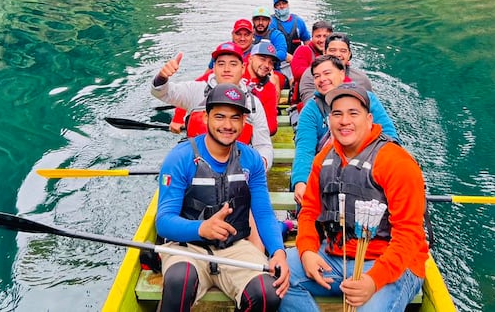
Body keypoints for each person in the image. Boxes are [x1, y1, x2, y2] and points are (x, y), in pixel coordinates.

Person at [281, 83, 427, 312]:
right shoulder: (324, 159)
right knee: (280, 277)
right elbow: (309, 212)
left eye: (353, 113)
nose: (344, 121)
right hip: (335, 255)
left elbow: (408, 234)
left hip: (390, 263)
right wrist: (307, 251)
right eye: (337, 114)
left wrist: (373, 280)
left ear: (369, 119)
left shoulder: (396, 162)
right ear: (329, 120)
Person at [156, 83, 290, 311]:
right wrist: (200, 229)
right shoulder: (179, 158)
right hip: (188, 247)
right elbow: (163, 222)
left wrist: (278, 252)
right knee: (181, 279)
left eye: (235, 118)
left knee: (269, 293)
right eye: (220, 116)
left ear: (244, 122)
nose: (227, 125)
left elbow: (264, 213)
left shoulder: (252, 160)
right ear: (206, 117)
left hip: (235, 246)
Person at [290, 61, 398, 206]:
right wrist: (300, 181)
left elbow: (389, 136)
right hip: (328, 173)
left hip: (367, 170)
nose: (322, 79)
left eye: (327, 73)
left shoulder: (367, 99)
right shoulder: (311, 109)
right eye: (317, 76)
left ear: (342, 74)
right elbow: (305, 149)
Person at [152, 42, 274, 169]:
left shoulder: (253, 103)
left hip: (236, 170)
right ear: (214, 68)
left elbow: (263, 145)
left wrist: (260, 165)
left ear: (243, 68)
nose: (227, 69)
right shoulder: (195, 90)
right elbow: (162, 93)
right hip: (195, 167)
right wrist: (162, 77)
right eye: (221, 64)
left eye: (233, 64)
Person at [297, 33, 373, 104]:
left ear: (349, 54)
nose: (337, 54)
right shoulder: (311, 75)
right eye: (332, 50)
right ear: (324, 52)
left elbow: (370, 106)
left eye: (343, 51)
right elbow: (310, 104)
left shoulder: (362, 79)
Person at [270, 0, 311, 85]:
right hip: (279, 62)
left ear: (288, 5)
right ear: (274, 8)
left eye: (284, 3)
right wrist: (287, 56)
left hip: (297, 61)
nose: (281, 6)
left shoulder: (298, 21)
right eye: (278, 4)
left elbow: (307, 43)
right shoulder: (271, 22)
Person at [290, 20, 333, 85]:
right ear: (312, 37)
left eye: (325, 36)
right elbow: (297, 74)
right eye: (318, 36)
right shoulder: (303, 50)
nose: (322, 40)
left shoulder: (335, 52)